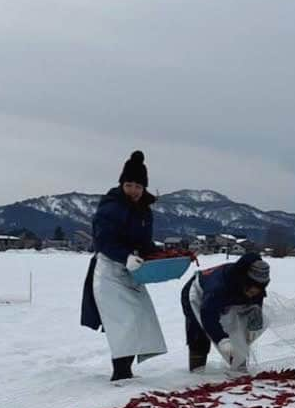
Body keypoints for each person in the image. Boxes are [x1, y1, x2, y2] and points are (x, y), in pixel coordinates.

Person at [80, 150, 167, 381]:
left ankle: (126, 370)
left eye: (138, 186)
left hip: (132, 269)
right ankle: (121, 373)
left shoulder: (144, 210)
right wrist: (124, 255)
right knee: (123, 321)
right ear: (122, 184)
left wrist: (160, 254)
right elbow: (104, 240)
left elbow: (144, 242)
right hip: (109, 268)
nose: (134, 191)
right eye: (129, 185)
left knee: (140, 316)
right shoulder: (111, 207)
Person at [179, 252, 271, 373]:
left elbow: (256, 303)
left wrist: (254, 321)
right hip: (198, 294)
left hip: (227, 299)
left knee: (238, 330)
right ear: (244, 281)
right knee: (199, 334)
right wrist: (222, 340)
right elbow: (208, 314)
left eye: (258, 290)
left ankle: (239, 366)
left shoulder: (254, 286)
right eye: (251, 288)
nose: (254, 293)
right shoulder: (219, 286)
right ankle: (197, 373)